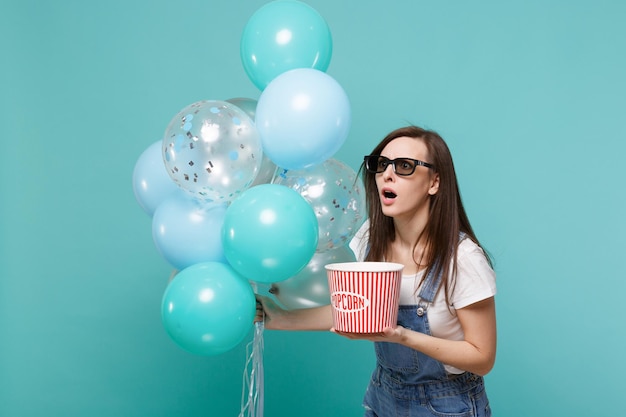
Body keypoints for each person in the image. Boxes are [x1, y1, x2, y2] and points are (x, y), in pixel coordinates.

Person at [256, 125, 497, 416]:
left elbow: (482, 357)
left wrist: (402, 336)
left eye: (405, 166)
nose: (387, 174)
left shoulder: (462, 258)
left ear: (435, 182)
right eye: (381, 165)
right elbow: (353, 309)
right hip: (385, 395)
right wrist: (279, 317)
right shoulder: (369, 238)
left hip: (446, 404)